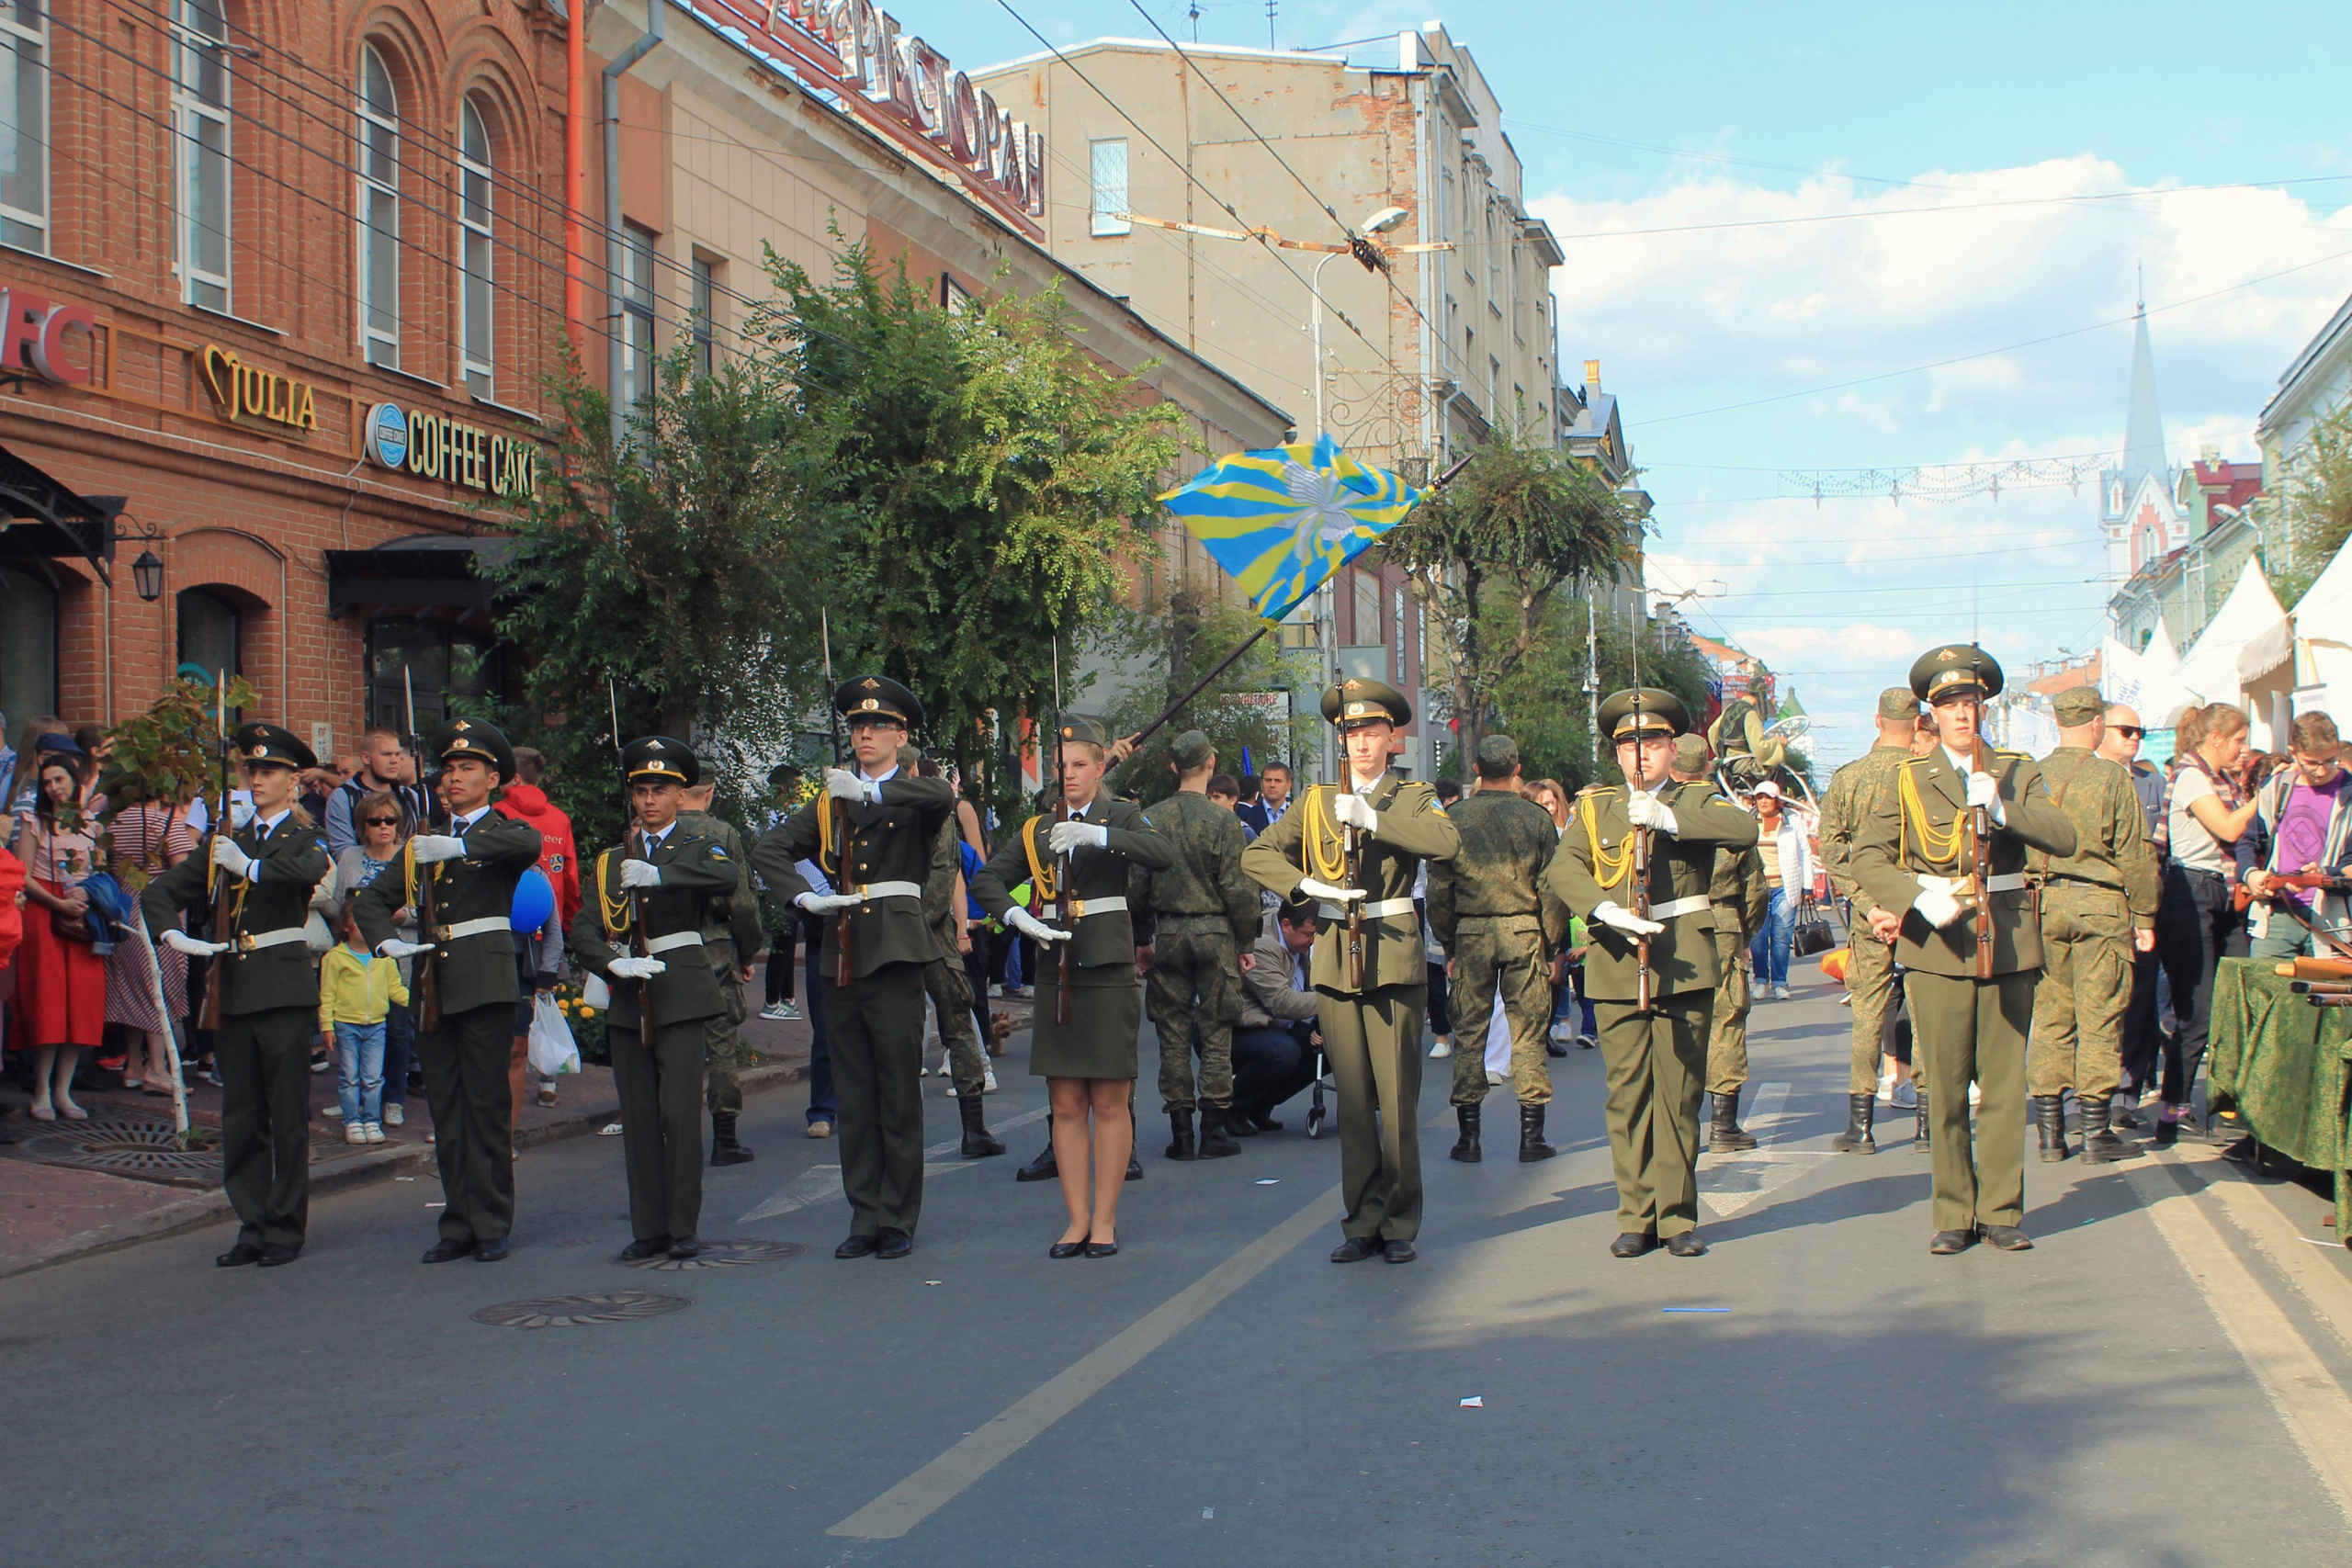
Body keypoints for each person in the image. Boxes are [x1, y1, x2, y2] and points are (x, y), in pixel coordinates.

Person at [1851, 647, 2075, 1254]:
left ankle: (2001, 1209)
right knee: (1945, 1083)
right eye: (1948, 704)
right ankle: (1953, 1212)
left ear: (1985, 708)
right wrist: (1914, 899)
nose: (1961, 713)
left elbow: (2065, 836)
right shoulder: (1907, 778)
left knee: (2003, 1086)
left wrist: (2003, 806)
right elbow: (1867, 856)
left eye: (1971, 702)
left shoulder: (2017, 770)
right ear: (1932, 713)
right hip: (1938, 943)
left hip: (2006, 940)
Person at [1243, 679, 1460, 1266]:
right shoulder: (1315, 800)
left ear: (1393, 738)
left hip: (1390, 952)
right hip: (1336, 955)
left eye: (1371, 732)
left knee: (1397, 1099)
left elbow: (1446, 841)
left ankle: (1400, 1221)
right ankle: (1361, 1220)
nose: (1361, 743)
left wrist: (1373, 819)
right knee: (1354, 1100)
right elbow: (1256, 852)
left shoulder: (1411, 796)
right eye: (1351, 733)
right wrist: (1301, 886)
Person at [752, 677, 957, 1261]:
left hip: (893, 945)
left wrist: (868, 797)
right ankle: (863, 1212)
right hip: (839, 946)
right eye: (858, 727)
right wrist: (801, 898)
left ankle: (898, 1216)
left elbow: (939, 800)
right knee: (855, 1089)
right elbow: (769, 849)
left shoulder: (910, 792)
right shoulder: (829, 800)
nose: (866, 735)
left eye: (879, 727)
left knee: (896, 1085)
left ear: (900, 736)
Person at [1552, 690, 1759, 1258]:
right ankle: (1635, 1215)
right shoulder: (1595, 809)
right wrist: (1602, 909)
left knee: (1679, 1092)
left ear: (1672, 748)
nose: (1639, 754)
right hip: (1617, 959)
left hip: (1681, 959)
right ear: (1616, 754)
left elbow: (1743, 833)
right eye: (1627, 744)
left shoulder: (1698, 797)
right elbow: (1563, 867)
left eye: (1651, 742)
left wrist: (1670, 818)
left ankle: (1676, 1215)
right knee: (1627, 1095)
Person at [971, 716, 1173, 1257]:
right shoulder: (1039, 828)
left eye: (1080, 764)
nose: (1069, 775)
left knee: (1109, 1100)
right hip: (1053, 967)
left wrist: (1099, 835)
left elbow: (1163, 855)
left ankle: (1104, 1219)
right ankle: (1075, 1219)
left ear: (1101, 766)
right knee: (1064, 1103)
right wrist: (1018, 919)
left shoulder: (1123, 814)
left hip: (1105, 968)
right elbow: (986, 879)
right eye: (1062, 767)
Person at [140, 725, 331, 1267]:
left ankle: (285, 1227)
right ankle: (252, 1223)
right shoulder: (229, 841)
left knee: (288, 1115)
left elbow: (307, 871)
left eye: (270, 771)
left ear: (293, 781)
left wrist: (245, 867)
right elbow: (161, 892)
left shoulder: (303, 836)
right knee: (241, 1115)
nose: (259, 778)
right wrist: (172, 935)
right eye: (253, 770)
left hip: (284, 989)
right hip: (236, 989)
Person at [354, 719, 541, 1263]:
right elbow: (369, 901)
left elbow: (525, 842)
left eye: (467, 769)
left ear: (492, 779)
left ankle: (490, 1221)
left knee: (484, 1105)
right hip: (434, 984)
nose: (454, 778)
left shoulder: (497, 831)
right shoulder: (421, 846)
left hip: (483, 983)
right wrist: (387, 942)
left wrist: (455, 847)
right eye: (449, 770)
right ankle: (456, 1221)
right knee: (447, 1109)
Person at [569, 738, 739, 1260]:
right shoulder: (613, 859)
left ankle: (683, 1225)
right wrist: (609, 961)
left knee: (678, 1114)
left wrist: (661, 875)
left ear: (679, 794)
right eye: (640, 790)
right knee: (640, 1117)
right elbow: (584, 925)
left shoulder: (695, 843)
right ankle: (648, 1228)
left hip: (681, 987)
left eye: (659, 790)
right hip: (629, 991)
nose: (648, 800)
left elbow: (725, 875)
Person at [2026, 687, 2161, 1164]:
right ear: (2097, 724)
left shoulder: (2031, 774)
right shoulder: (2111, 777)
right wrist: (2145, 914)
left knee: (2050, 1015)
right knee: (2100, 1014)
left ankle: (2049, 1133)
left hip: (2042, 904)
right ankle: (2096, 1130)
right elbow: (2136, 853)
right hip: (2100, 906)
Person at [1425, 734, 1569, 1164]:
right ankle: (1531, 1137)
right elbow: (1552, 887)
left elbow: (1439, 889)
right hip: (1525, 930)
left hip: (1471, 933)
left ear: (1477, 770)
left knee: (1470, 1035)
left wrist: (1449, 941)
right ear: (1516, 769)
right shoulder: (1536, 819)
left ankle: (1468, 1138)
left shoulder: (1455, 818)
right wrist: (1550, 940)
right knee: (1527, 1033)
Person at [1138, 730, 1261, 1160]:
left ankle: (1181, 1132)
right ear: (1211, 763)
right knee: (1216, 1032)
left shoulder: (1150, 818)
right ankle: (1213, 1129)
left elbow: (1137, 885)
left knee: (1171, 1033)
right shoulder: (1223, 821)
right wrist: (1246, 941)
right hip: (1215, 932)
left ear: (1173, 767)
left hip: (1168, 932)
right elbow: (1240, 890)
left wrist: (1141, 938)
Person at [1815, 688, 1927, 1154]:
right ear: (1918, 724)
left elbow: (1832, 852)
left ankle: (1861, 1126)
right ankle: (1927, 1123)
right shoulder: (1932, 776)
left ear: (1877, 721)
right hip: (1926, 908)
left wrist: (1866, 902)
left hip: (1870, 911)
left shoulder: (1849, 779)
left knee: (1867, 1012)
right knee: (1925, 1013)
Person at [2154, 702, 2259, 1145]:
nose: (2243, 749)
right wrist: (2266, 797)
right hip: (2191, 893)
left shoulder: (2224, 779)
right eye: (2238, 740)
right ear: (2215, 738)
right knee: (2195, 1011)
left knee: (2235, 1002)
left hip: (2223, 893)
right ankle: (2171, 1112)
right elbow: (2230, 829)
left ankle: (2228, 1106)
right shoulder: (2193, 776)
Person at [1670, 735, 1771, 1153]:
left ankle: (1677, 1119)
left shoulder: (1658, 812)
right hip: (1724, 923)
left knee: (1677, 1019)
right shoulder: (1726, 814)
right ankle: (1724, 1125)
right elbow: (1756, 887)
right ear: (1708, 767)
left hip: (1673, 923)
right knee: (1726, 1021)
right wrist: (1745, 931)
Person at [906, 750, 1002, 1159]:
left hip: (927, 931)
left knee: (957, 1018)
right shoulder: (863, 805)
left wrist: (911, 923)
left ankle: (974, 1126)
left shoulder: (933, 810)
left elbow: (947, 873)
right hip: (900, 930)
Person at [677, 772, 767, 1165]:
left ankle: (672, 1133)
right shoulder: (723, 834)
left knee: (672, 1046)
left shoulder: (651, 832)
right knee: (721, 1047)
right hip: (714, 949)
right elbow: (742, 902)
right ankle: (724, 1137)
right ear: (710, 792)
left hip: (665, 949)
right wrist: (747, 952)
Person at [17, 750, 107, 1120]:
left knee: (79, 1005)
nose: (54, 787)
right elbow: (20, 873)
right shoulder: (33, 820)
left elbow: (101, 873)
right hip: (43, 911)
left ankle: (63, 1092)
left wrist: (86, 895)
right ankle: (40, 1091)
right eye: (48, 782)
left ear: (75, 780)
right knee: (48, 1003)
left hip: (82, 915)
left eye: (60, 780)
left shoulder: (92, 825)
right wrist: (56, 903)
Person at [104, 785, 199, 1096]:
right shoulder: (164, 822)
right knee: (161, 989)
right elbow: (181, 872)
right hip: (158, 913)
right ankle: (157, 1069)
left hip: (123, 911)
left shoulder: (114, 823)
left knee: (132, 990)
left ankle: (133, 1065)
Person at [2100, 703, 2167, 1120]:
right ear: (2100, 729)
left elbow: (2164, 850)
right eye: (2126, 730)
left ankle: (2126, 1094)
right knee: (2098, 1002)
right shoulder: (2087, 778)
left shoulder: (2153, 784)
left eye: (2139, 731)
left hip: (2143, 905)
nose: (2135, 737)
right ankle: (2088, 1094)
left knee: (2140, 1002)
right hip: (2099, 905)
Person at [2242, 712, 2351, 962]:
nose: (2322, 771)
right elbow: (2249, 840)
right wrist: (2251, 873)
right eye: (2312, 762)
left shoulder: (2349, 791)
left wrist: (2323, 874)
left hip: (2334, 917)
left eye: (2331, 761)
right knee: (2264, 990)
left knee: (2331, 997)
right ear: (2293, 751)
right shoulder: (2277, 786)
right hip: (2278, 912)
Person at [318, 901, 408, 1145]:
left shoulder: (384, 956)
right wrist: (327, 1026)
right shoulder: (335, 958)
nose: (363, 927)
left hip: (377, 1025)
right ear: (345, 926)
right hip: (347, 1025)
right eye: (357, 921)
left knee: (373, 1077)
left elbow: (396, 990)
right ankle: (352, 1121)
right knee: (349, 1076)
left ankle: (371, 1120)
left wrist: (419, 1003)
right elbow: (327, 995)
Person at [1233, 898, 1323, 1127]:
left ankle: (1260, 1104)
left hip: (1274, 1024)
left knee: (1331, 1047)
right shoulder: (1261, 944)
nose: (1312, 942)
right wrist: (1332, 1000)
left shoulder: (1292, 935)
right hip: (1236, 1028)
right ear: (1286, 925)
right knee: (1283, 1052)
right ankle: (1233, 1108)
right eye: (1308, 934)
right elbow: (1281, 1003)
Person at [1747, 781, 1813, 1000]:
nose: (1763, 802)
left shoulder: (1792, 820)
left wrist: (1808, 885)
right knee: (1758, 937)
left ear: (1777, 799)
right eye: (1759, 797)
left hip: (1786, 885)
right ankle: (1760, 981)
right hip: (1758, 887)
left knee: (1781, 936)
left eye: (1768, 797)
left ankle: (1780, 982)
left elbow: (1804, 851)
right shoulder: (1748, 820)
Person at [324, 728, 424, 856]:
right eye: (386, 754)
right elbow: (343, 852)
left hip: (407, 873)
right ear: (366, 757)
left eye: (398, 754)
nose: (394, 760)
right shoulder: (344, 797)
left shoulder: (411, 797)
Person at [1235, 761, 1293, 837]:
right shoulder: (1243, 818)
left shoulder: (1299, 820)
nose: (1272, 785)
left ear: (1289, 785)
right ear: (1261, 784)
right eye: (1268, 780)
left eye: (1278, 781)